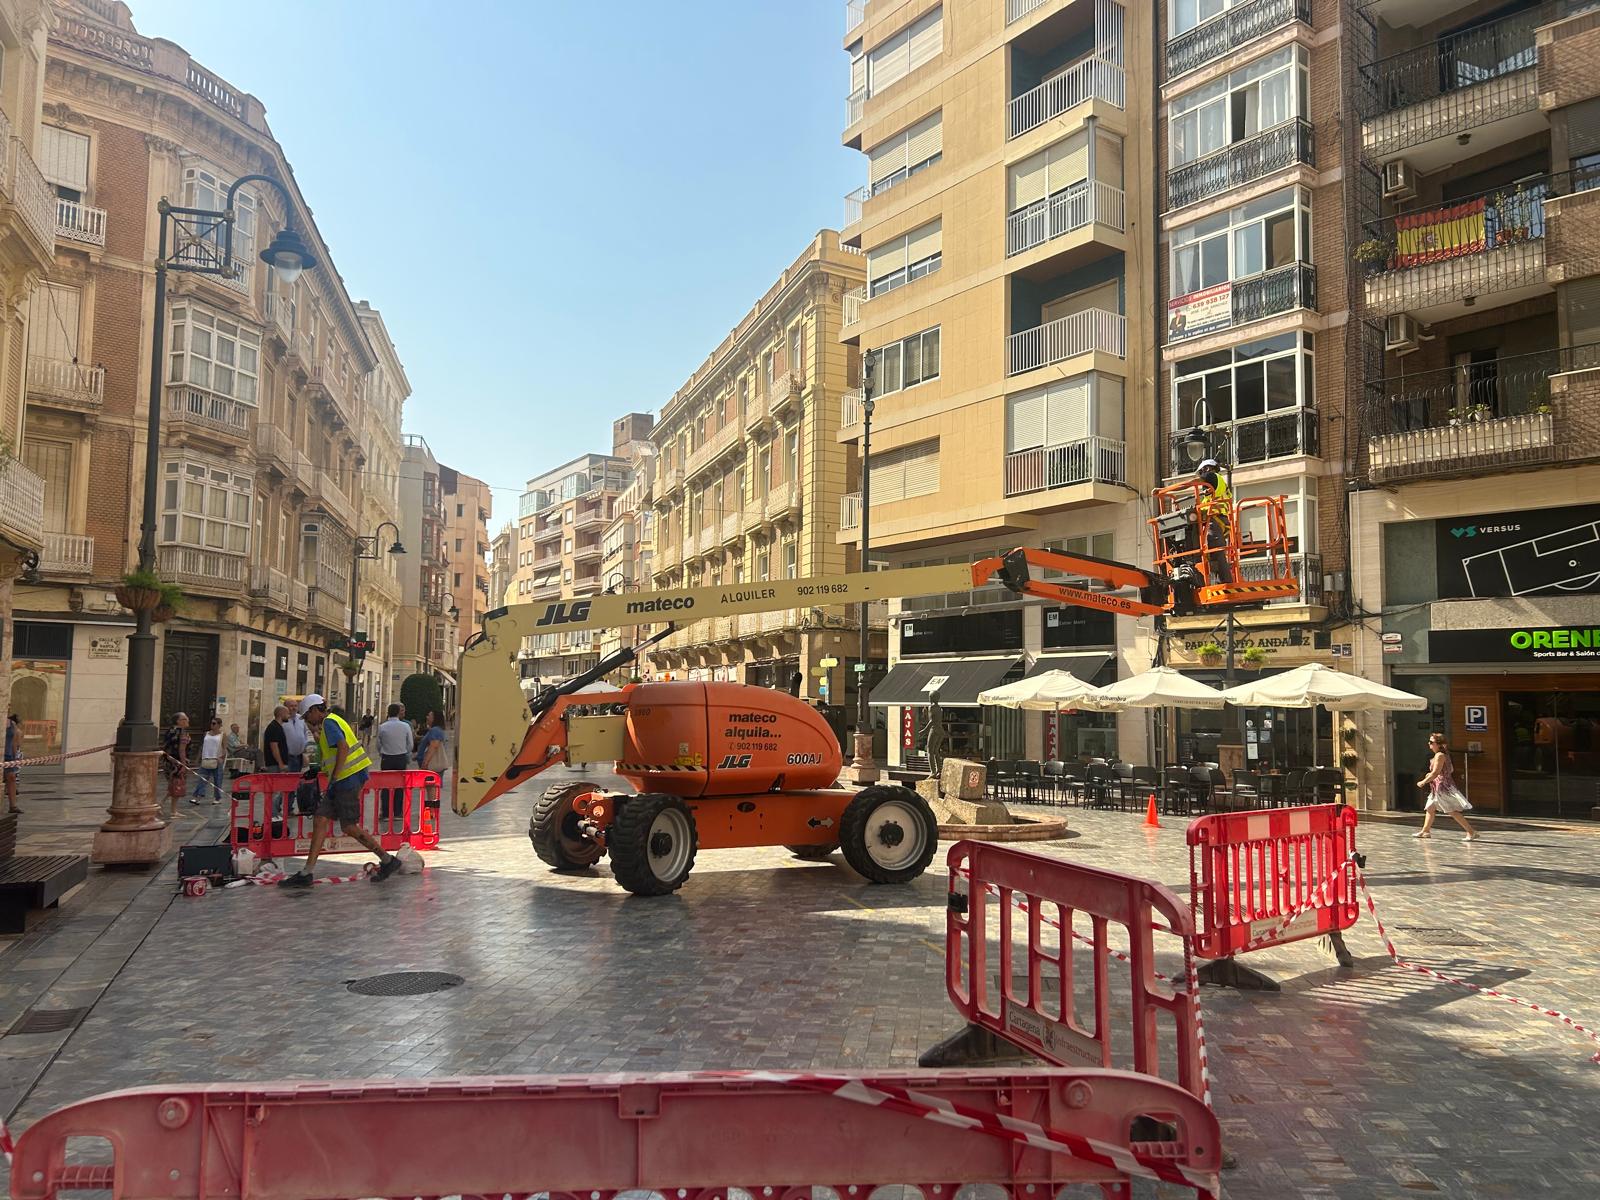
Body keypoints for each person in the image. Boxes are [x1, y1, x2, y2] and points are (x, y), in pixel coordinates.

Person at [277, 694, 400, 887]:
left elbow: (342, 747)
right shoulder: (331, 722)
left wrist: (334, 776)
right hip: (343, 779)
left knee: (348, 826)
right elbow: (334, 752)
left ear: (315, 711)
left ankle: (387, 860)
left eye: (307, 716)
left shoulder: (329, 723)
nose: (307, 721)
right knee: (320, 820)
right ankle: (306, 873)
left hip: (347, 780)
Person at [1414, 732, 1479, 842]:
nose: (1429, 744)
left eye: (1431, 742)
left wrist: (1423, 781)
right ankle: (1425, 831)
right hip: (1438, 786)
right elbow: (1444, 771)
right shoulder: (1442, 755)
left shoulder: (1440, 755)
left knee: (1451, 811)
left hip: (1442, 787)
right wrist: (1430, 776)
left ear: (1439, 744)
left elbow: (1435, 773)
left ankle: (1471, 832)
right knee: (1430, 808)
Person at [1195, 458, 1235, 585]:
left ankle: (1226, 583)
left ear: (1207, 469)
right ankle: (1220, 581)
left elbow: (1195, 481)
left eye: (1202, 472)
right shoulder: (1215, 488)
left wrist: (1174, 488)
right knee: (1213, 554)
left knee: (1217, 552)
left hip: (1216, 520)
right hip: (1217, 521)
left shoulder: (1213, 476)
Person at [376, 703, 415, 824]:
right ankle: (398, 812)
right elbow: (410, 744)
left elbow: (378, 743)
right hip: (400, 758)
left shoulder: (382, 727)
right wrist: (405, 752)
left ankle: (386, 813)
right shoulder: (405, 726)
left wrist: (382, 752)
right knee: (399, 786)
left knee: (386, 787)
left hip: (387, 758)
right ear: (398, 712)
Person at [191, 716, 226, 805]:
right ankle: (197, 797)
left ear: (219, 725)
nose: (212, 725)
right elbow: (202, 746)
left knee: (217, 780)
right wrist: (198, 758)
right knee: (202, 779)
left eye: (214, 723)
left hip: (216, 760)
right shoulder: (206, 733)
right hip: (206, 758)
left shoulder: (222, 735)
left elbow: (224, 748)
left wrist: (222, 757)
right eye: (211, 723)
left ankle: (217, 798)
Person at [162, 712, 191, 805]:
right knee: (177, 786)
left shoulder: (170, 730)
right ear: (178, 721)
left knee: (173, 785)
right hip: (177, 763)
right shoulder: (183, 732)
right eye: (185, 719)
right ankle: (173, 811)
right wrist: (183, 764)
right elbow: (182, 749)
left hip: (168, 762)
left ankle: (160, 805)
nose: (188, 720)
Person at [417, 709, 447, 777]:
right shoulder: (435, 729)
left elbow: (434, 746)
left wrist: (425, 763)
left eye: (429, 716)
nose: (427, 717)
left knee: (431, 785)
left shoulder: (435, 730)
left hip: (431, 765)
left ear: (435, 718)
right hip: (431, 765)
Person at [282, 699, 309, 771]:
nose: (294, 708)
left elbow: (305, 734)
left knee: (298, 779)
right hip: (287, 757)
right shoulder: (282, 721)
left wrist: (304, 748)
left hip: (300, 757)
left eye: (295, 706)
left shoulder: (301, 719)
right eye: (291, 706)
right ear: (285, 708)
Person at [4, 713, 22, 816]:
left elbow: (14, 742)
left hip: (9, 756)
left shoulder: (12, 724)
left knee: (11, 778)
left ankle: (13, 806)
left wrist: (15, 757)